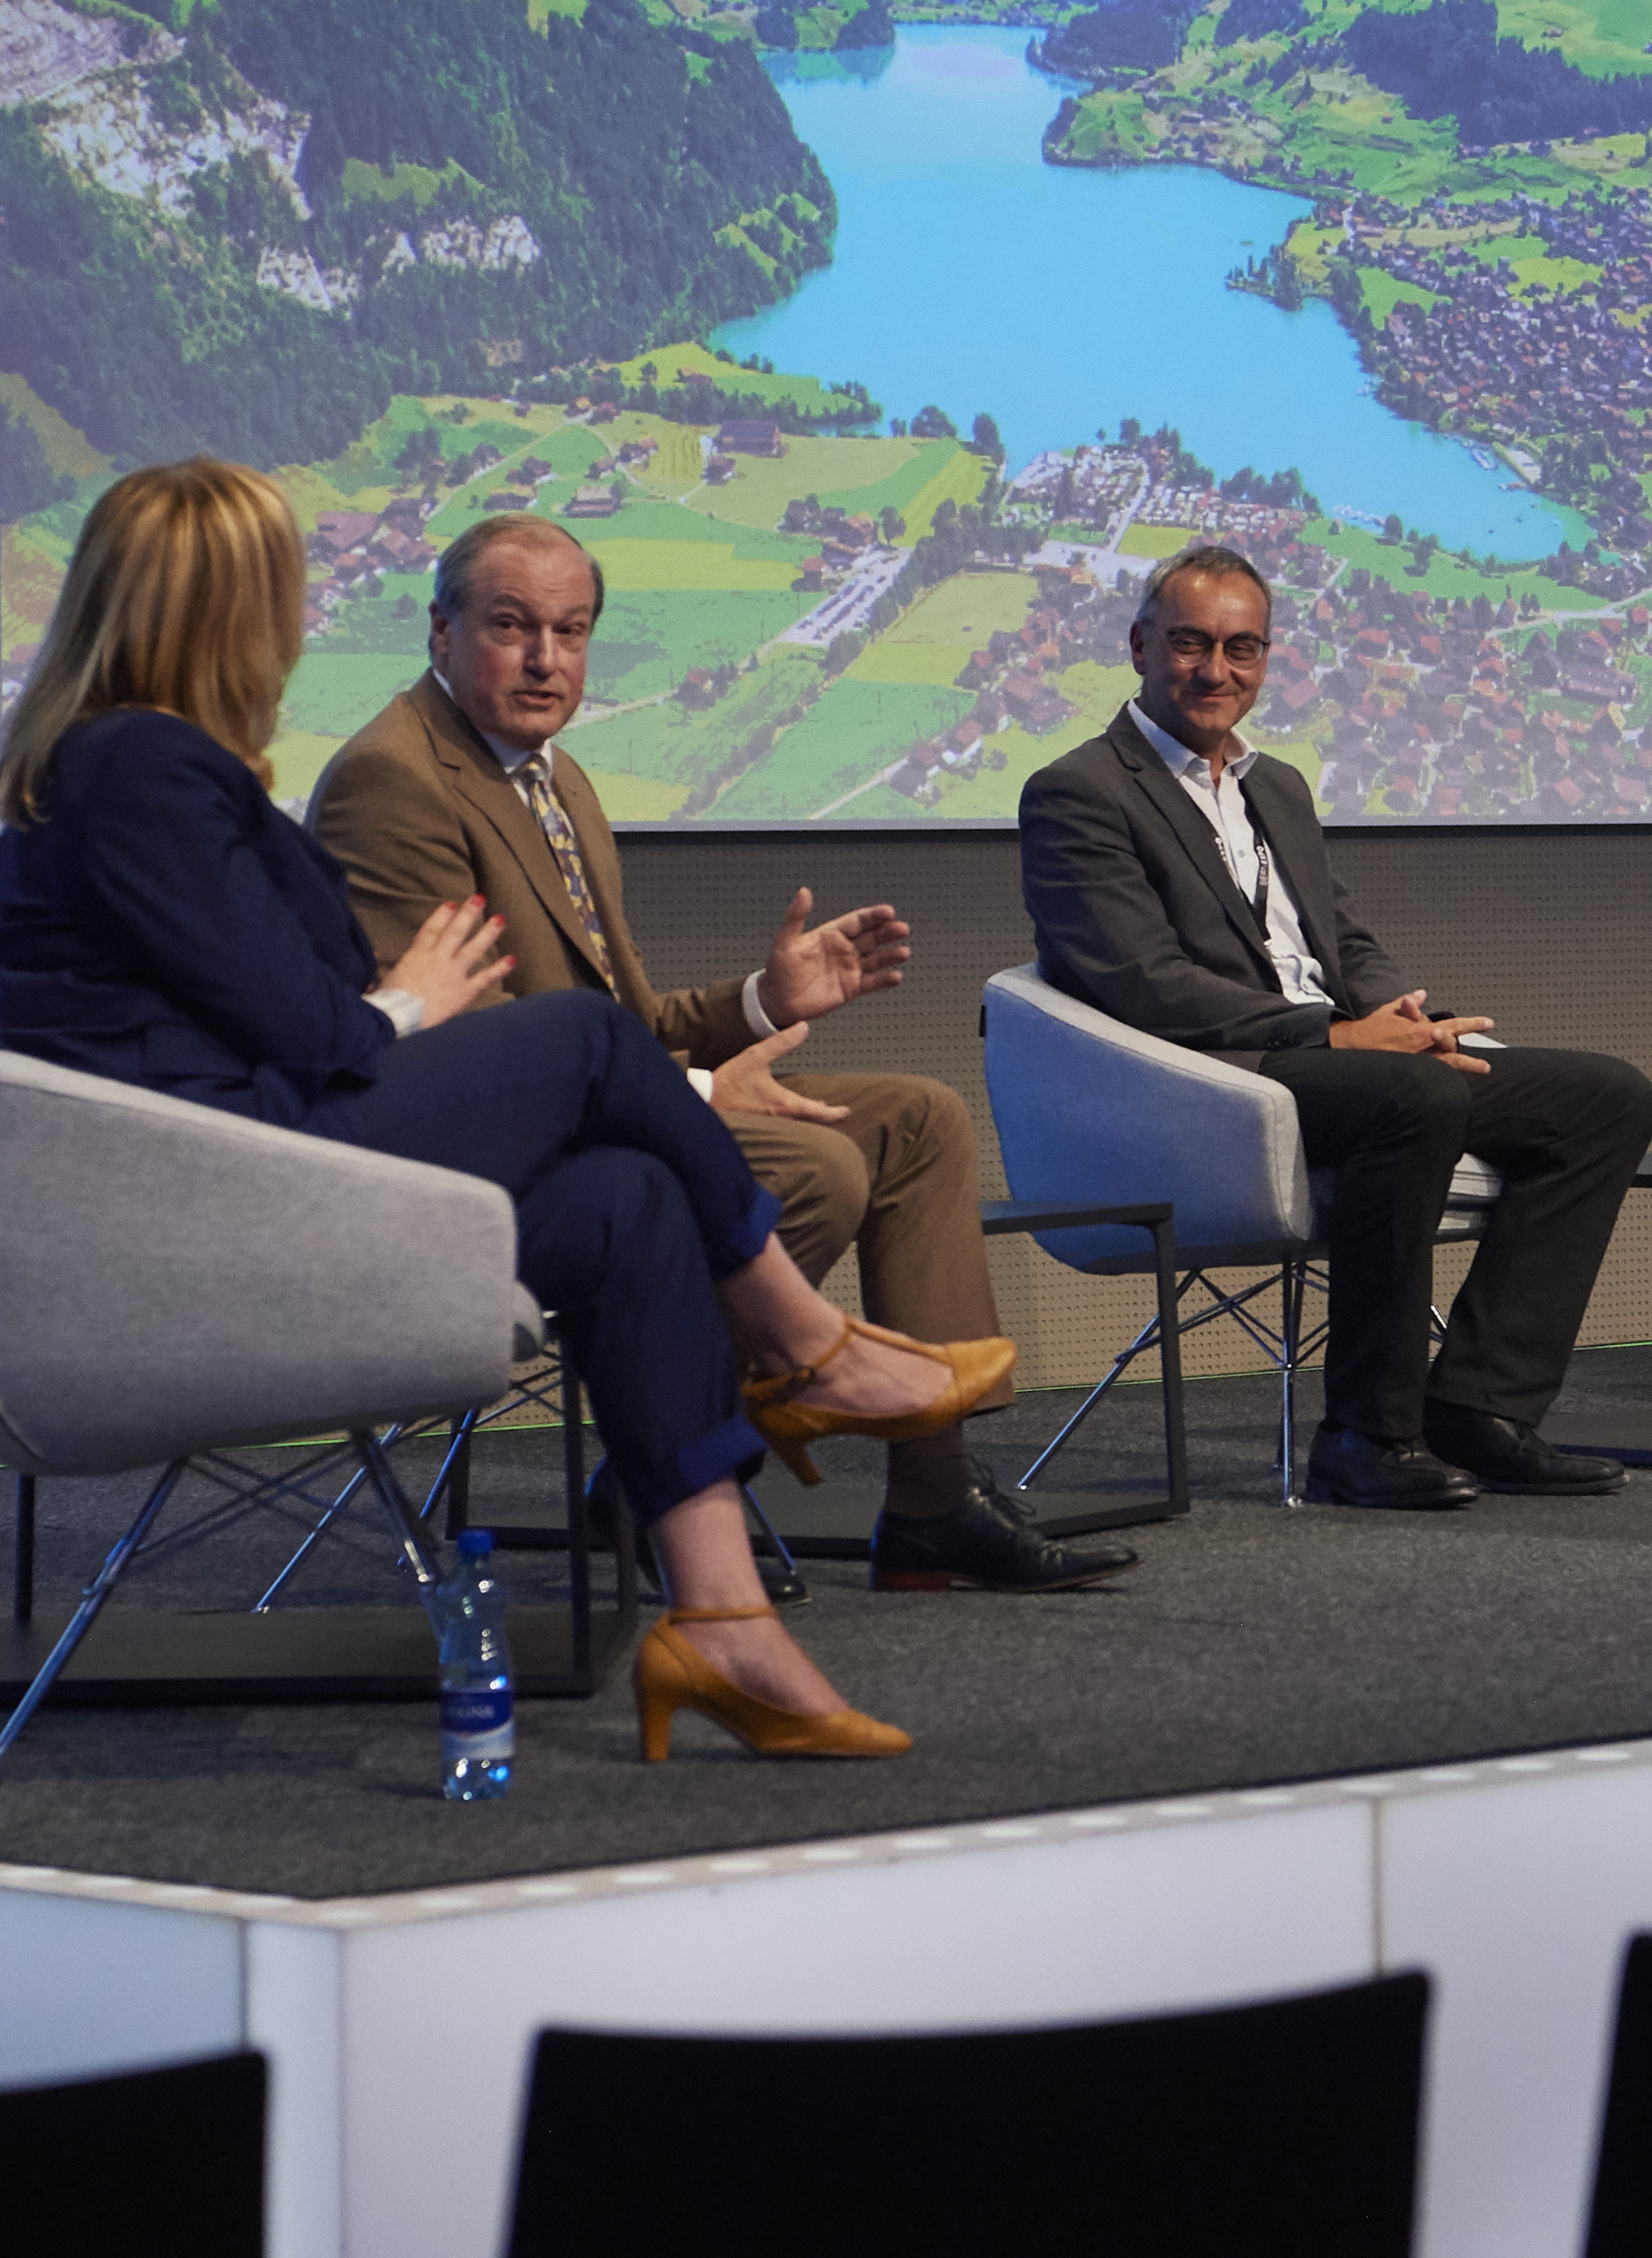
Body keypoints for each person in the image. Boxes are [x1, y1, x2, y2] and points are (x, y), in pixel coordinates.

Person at [0, 459, 1017, 1763]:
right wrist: (406, 1002)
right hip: (217, 1196)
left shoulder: (170, 773)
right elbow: (322, 1026)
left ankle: (724, 1623)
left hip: (260, 1149)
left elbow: (298, 1006)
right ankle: (808, 1350)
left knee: (633, 1205)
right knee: (580, 1048)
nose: (305, 625)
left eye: (569, 630)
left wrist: (737, 1010)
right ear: (224, 611)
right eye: (290, 594)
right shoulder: (142, 768)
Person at [309, 513, 1128, 1594]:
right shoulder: (395, 782)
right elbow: (467, 1057)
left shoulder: (558, 780)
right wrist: (697, 1089)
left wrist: (758, 1003)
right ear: (441, 632)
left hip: (610, 1111)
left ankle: (933, 1500)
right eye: (512, 628)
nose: (546, 659)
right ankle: (667, 1465)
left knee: (917, 1119)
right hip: (496, 1165)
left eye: (571, 629)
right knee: (816, 1164)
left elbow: (622, 1019)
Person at [1017, 546, 1652, 1510]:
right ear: (1141, 646)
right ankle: (1367, 1434)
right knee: (1416, 1095)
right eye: (1191, 643)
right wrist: (1339, 1039)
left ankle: (1480, 1407)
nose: (1216, 670)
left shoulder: (1277, 786)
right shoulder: (1080, 792)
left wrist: (1407, 1017)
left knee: (1605, 1100)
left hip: (1336, 1058)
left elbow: (1345, 941)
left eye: (1243, 649)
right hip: (1211, 1078)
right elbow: (1147, 986)